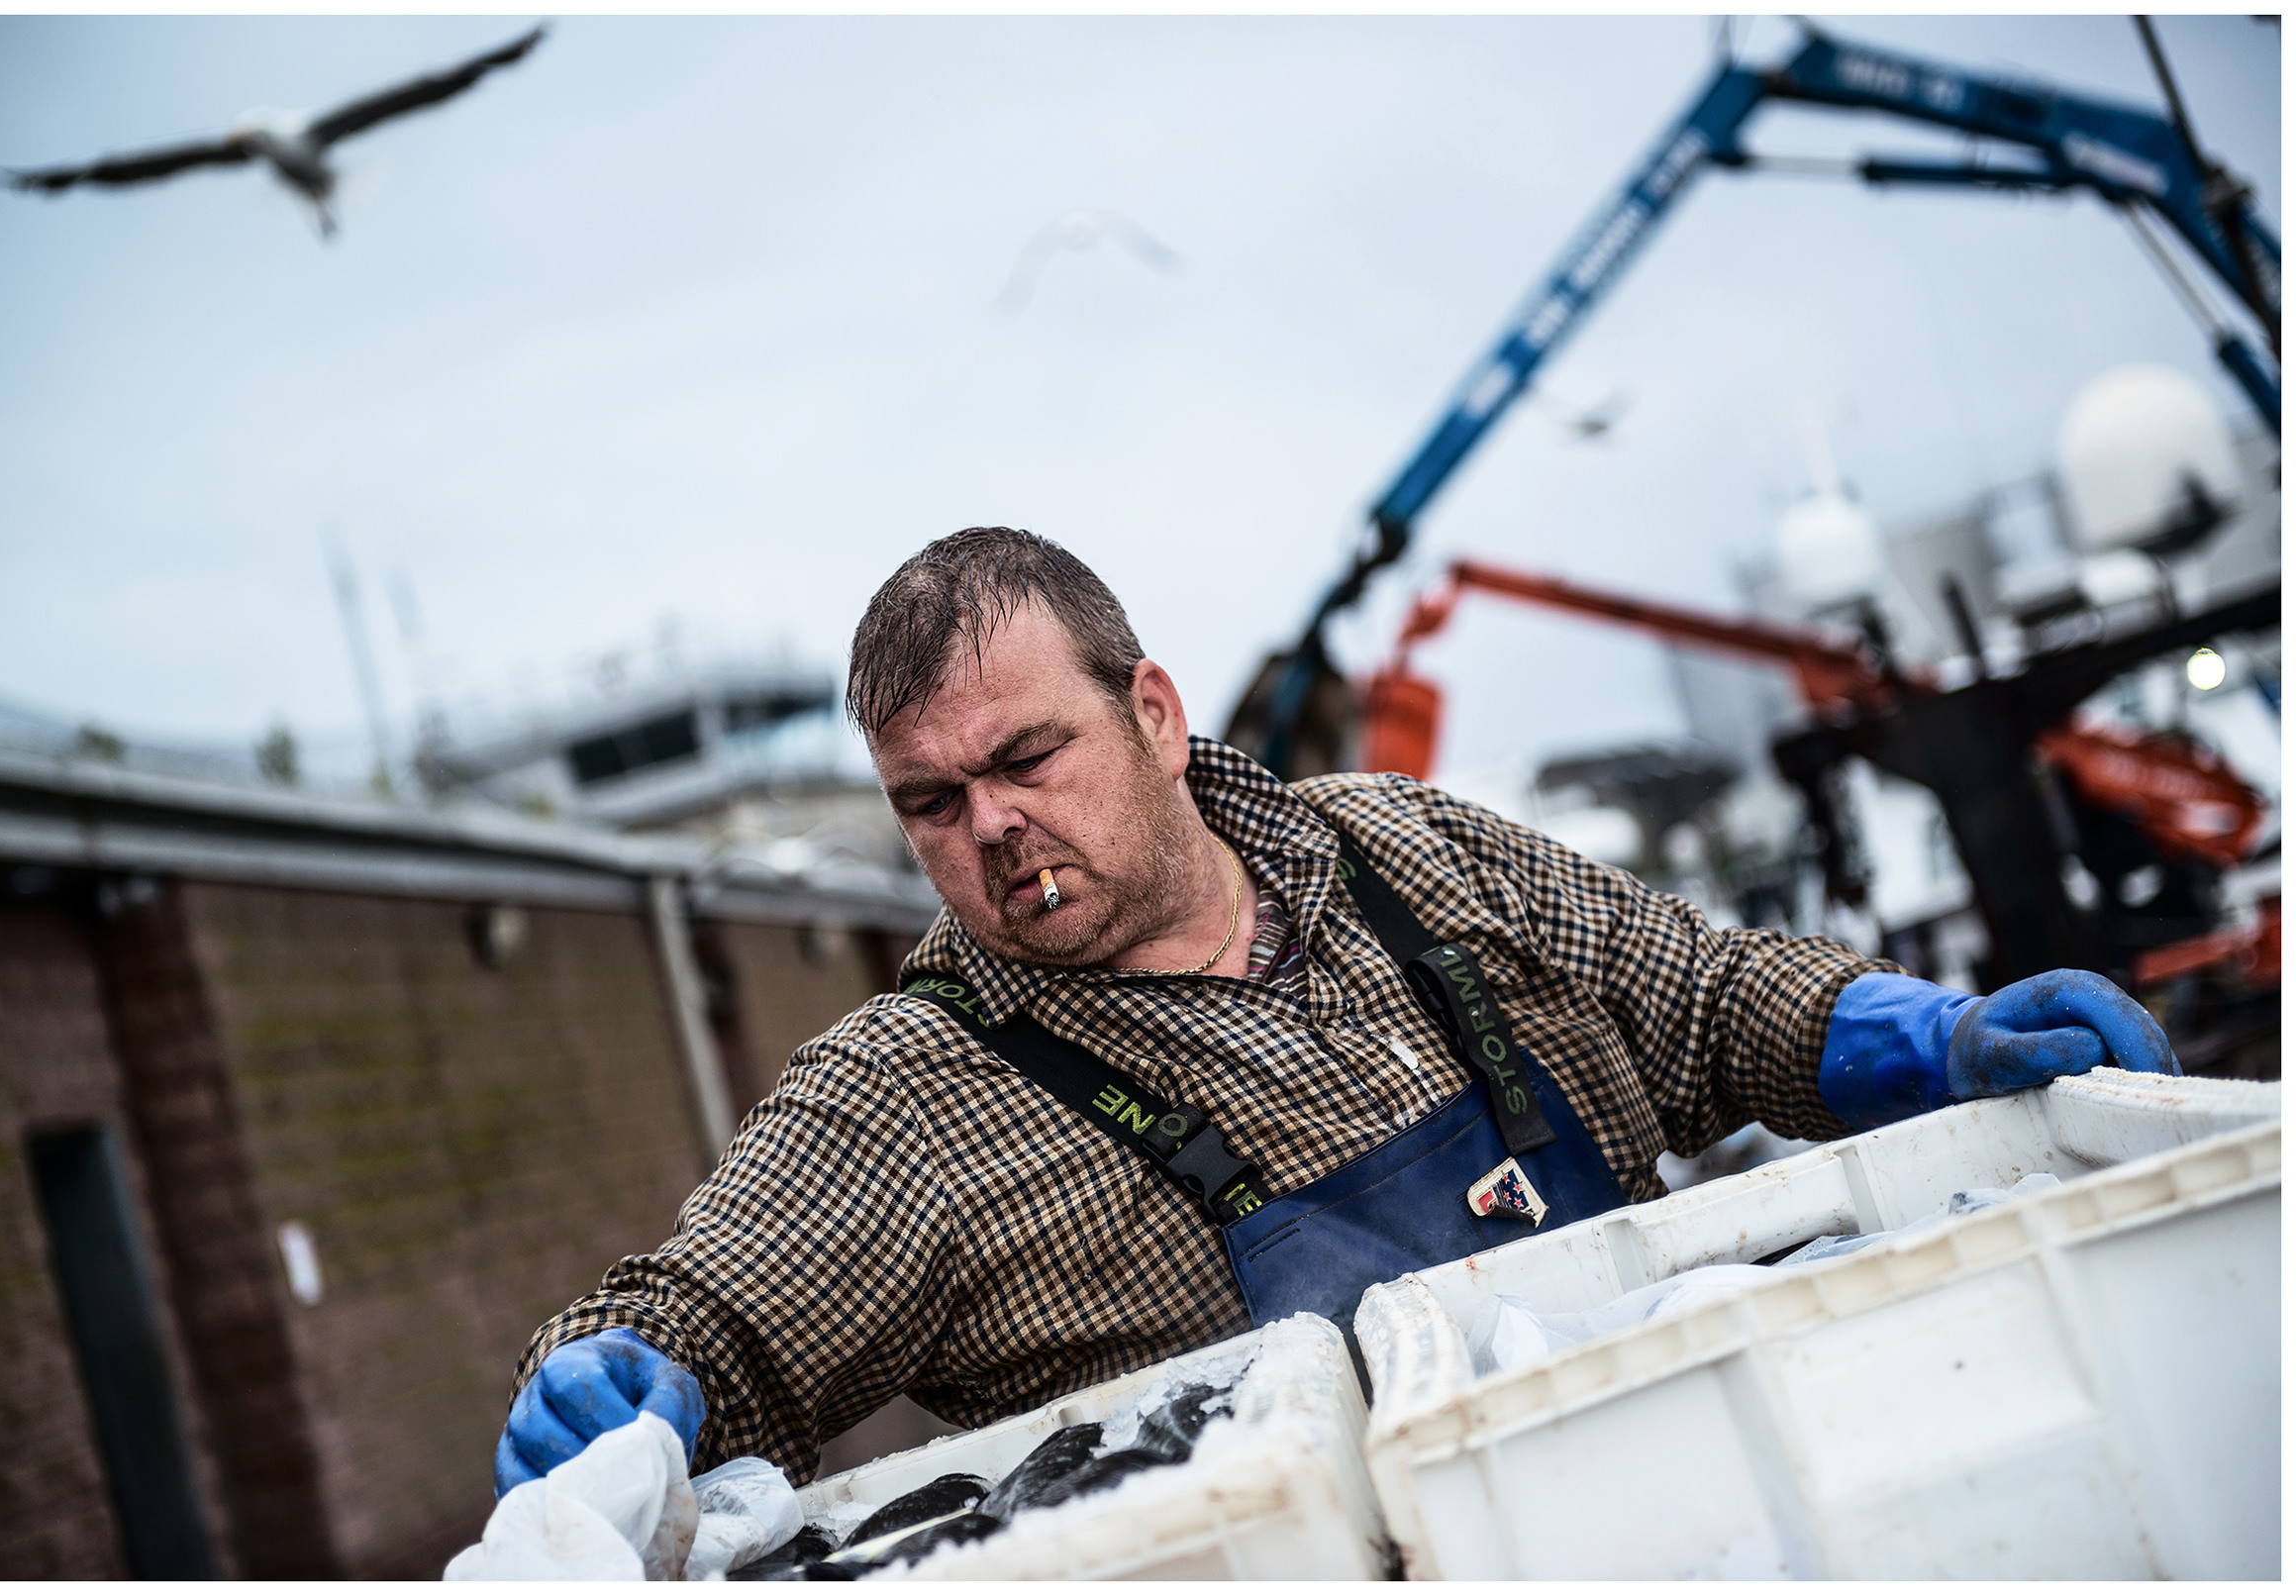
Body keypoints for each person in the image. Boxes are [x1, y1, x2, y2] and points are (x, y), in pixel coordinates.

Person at [494, 526, 2176, 1492]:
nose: (991, 831)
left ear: (1150, 712)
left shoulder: (1407, 852)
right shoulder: (908, 1096)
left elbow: (1709, 1004)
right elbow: (709, 1319)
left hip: (1727, 1495)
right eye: (932, 803)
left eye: (1027, 760)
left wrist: (1924, 1037)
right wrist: (614, 1378)